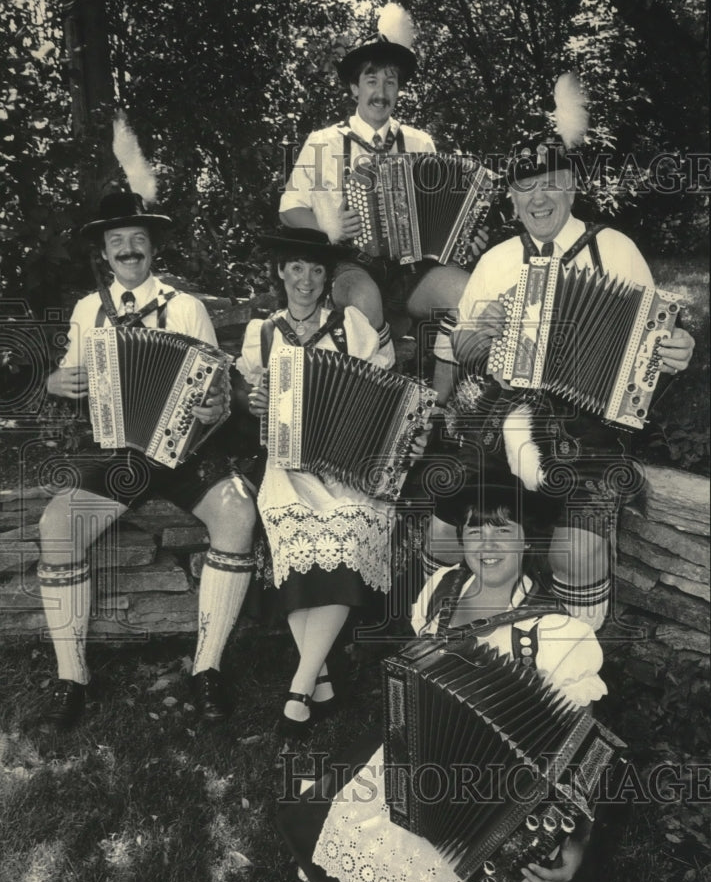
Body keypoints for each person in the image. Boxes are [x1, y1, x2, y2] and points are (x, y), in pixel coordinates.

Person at [276, 482, 608, 882]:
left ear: (526, 540)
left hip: (493, 797)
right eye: (475, 529)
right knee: (315, 820)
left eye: (503, 529)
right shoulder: (443, 588)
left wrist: (577, 842)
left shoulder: (559, 633)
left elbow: (583, 751)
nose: (487, 544)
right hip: (421, 760)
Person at [439, 102, 695, 630]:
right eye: (525, 187)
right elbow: (460, 345)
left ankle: (579, 657)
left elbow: (657, 342)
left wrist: (678, 350)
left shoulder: (616, 249)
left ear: (572, 188)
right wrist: (483, 335)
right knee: (444, 538)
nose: (539, 197)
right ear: (512, 198)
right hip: (499, 418)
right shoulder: (496, 261)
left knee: (576, 553)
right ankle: (458, 641)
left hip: (593, 428)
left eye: (551, 183)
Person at [38, 191, 257, 730]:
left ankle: (208, 668)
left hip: (184, 450)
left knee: (238, 514)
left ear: (152, 248)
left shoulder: (186, 307)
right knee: (56, 526)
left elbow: (219, 390)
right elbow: (69, 376)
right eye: (117, 241)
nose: (128, 249)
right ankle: (72, 678)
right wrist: (56, 381)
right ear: (104, 252)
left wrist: (214, 406)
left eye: (138, 239)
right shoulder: (88, 310)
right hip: (120, 451)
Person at [238, 227, 429, 738]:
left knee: (345, 533)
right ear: (281, 272)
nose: (306, 280)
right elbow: (249, 400)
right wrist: (256, 404)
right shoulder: (263, 333)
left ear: (328, 278)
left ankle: (302, 685)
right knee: (293, 539)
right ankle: (316, 681)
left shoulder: (351, 326)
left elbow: (390, 391)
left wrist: (406, 435)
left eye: (317, 270)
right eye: (296, 268)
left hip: (350, 465)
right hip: (287, 466)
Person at [279, 3, 475, 402]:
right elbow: (289, 209)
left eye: (390, 82)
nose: (381, 92)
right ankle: (386, 399)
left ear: (399, 90)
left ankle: (436, 407)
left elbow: (442, 217)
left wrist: (465, 236)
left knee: (469, 293)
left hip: (412, 271)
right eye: (371, 81)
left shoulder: (419, 142)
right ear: (355, 88)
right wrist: (328, 229)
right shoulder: (323, 142)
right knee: (366, 299)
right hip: (350, 265)